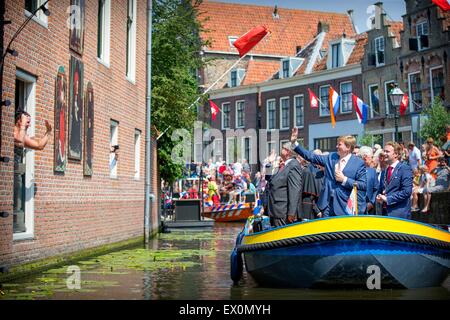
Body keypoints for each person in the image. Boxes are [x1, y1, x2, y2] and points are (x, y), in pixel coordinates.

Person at [290, 128, 366, 216]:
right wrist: (295, 143)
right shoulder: (331, 157)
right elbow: (311, 157)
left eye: (339, 145)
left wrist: (344, 179)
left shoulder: (358, 163)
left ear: (348, 147)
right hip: (326, 205)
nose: (336, 146)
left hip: (344, 207)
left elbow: (363, 185)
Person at [265, 142, 303, 226]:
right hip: (275, 210)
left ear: (288, 151)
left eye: (283, 148)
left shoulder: (293, 165)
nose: (280, 150)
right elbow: (269, 179)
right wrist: (270, 164)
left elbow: (295, 190)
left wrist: (292, 212)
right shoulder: (283, 165)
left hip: (283, 212)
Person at [376, 141, 413, 219]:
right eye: (384, 151)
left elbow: (407, 192)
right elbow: (383, 189)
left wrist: (388, 199)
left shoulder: (404, 168)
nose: (384, 153)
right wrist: (380, 197)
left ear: (396, 154)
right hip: (385, 214)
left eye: (387, 151)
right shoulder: (385, 171)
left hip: (399, 215)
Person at [359, 146, 378, 214]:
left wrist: (372, 202)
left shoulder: (372, 171)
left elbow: (376, 189)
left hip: (369, 209)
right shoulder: (354, 170)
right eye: (371, 157)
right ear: (365, 157)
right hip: (356, 208)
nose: (372, 160)